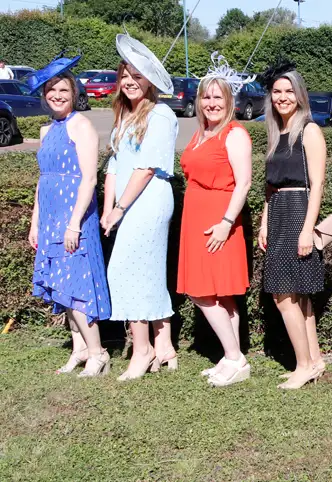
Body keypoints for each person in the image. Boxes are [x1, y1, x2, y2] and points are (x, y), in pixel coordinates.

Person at [26, 54, 112, 377]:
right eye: (51, 91)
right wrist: (36, 222)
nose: (57, 96)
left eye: (62, 90)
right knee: (59, 285)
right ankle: (79, 349)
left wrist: (75, 222)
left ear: (73, 92)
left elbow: (90, 178)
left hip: (74, 216)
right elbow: (43, 178)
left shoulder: (82, 125)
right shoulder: (47, 129)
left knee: (77, 284)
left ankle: (98, 352)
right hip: (50, 218)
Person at [102, 34, 179, 381]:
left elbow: (146, 167)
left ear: (149, 83)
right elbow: (115, 166)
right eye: (126, 76)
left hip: (148, 201)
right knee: (144, 273)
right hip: (125, 202)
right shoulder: (124, 114)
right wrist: (108, 207)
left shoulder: (160, 114)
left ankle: (143, 349)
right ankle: (164, 348)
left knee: (127, 272)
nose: (130, 83)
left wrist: (120, 208)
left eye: (138, 77)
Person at [178, 53, 253, 387]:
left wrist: (225, 222)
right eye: (205, 96)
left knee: (203, 291)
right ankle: (231, 357)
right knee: (219, 293)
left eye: (217, 97)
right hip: (196, 217)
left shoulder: (234, 134)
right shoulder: (199, 134)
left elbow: (244, 183)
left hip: (219, 220)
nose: (210, 103)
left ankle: (235, 357)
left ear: (229, 101)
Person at [256, 60, 328, 390]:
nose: (282, 97)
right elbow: (271, 187)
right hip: (279, 213)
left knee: (284, 295)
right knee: (296, 296)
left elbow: (317, 185)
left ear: (299, 95)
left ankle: (302, 366)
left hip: (299, 212)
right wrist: (264, 223)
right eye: (276, 91)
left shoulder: (309, 131)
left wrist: (306, 229)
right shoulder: (276, 133)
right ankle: (313, 361)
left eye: (288, 91)